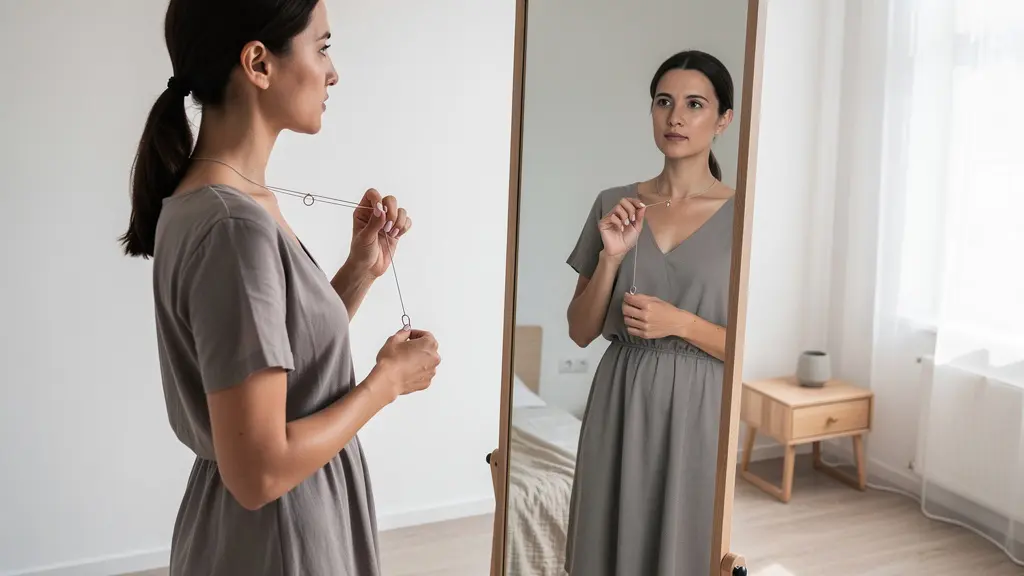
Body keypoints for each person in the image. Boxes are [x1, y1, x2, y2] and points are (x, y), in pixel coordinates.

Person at [118, 1, 441, 574]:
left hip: (261, 529)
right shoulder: (234, 227)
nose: (333, 72)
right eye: (322, 47)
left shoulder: (213, 203)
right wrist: (387, 382)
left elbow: (283, 359)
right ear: (259, 64)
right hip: (279, 535)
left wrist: (360, 270)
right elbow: (260, 471)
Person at [563, 49, 736, 576]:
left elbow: (752, 349)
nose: (675, 117)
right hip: (620, 396)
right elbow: (580, 331)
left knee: (685, 546)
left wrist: (679, 323)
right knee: (606, 542)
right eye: (664, 102)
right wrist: (612, 257)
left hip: (701, 407)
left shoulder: (745, 215)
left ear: (723, 120)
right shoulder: (613, 203)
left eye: (694, 104)